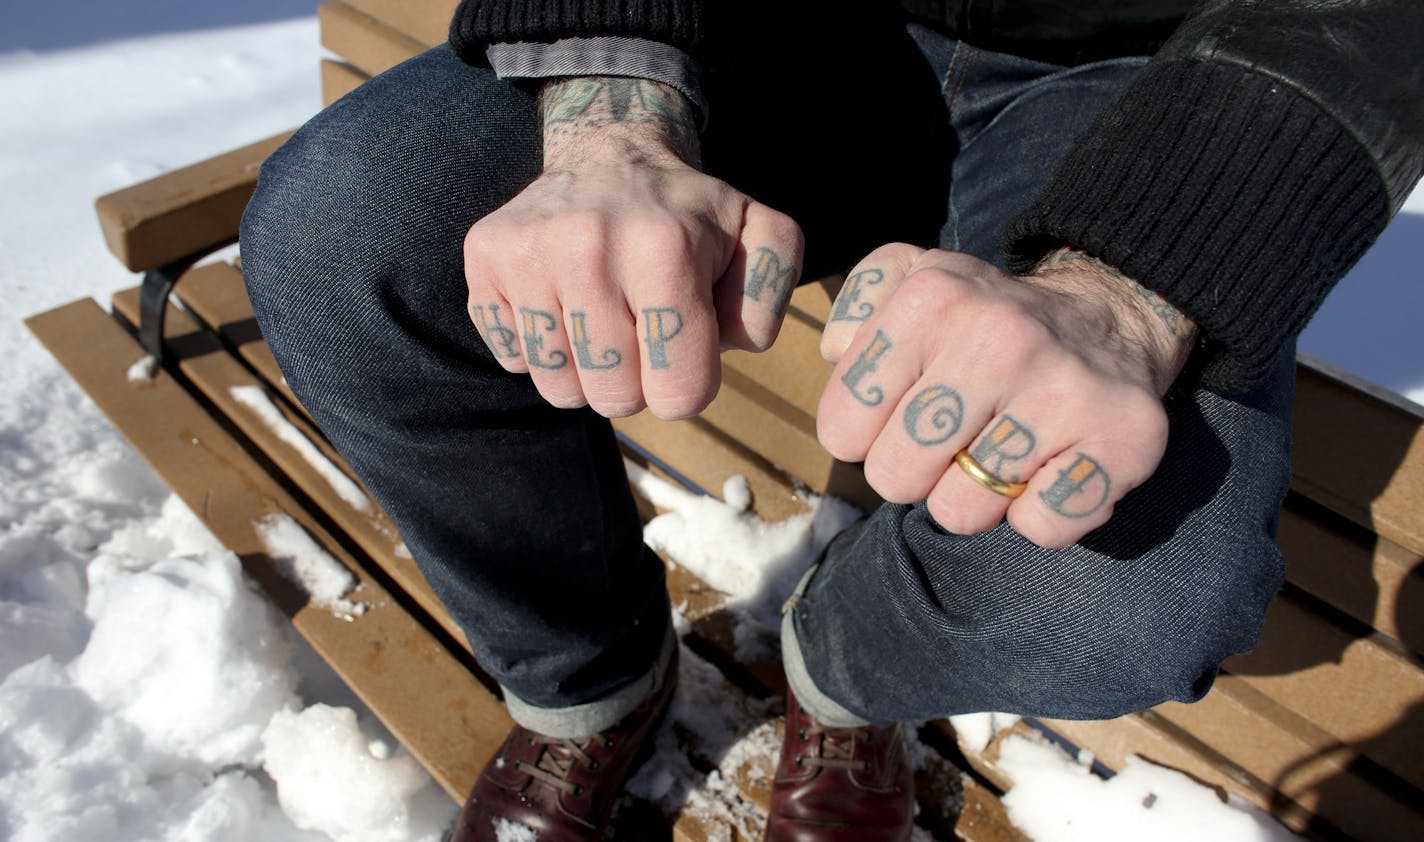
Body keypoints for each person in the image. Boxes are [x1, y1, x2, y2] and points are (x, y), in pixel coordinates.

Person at [239, 0, 1423, 839]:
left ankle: (836, 679)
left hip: (1160, 68)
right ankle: (590, 688)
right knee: (343, 231)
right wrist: (611, 108)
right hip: (781, 20)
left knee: (1131, 578)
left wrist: (1124, 289)